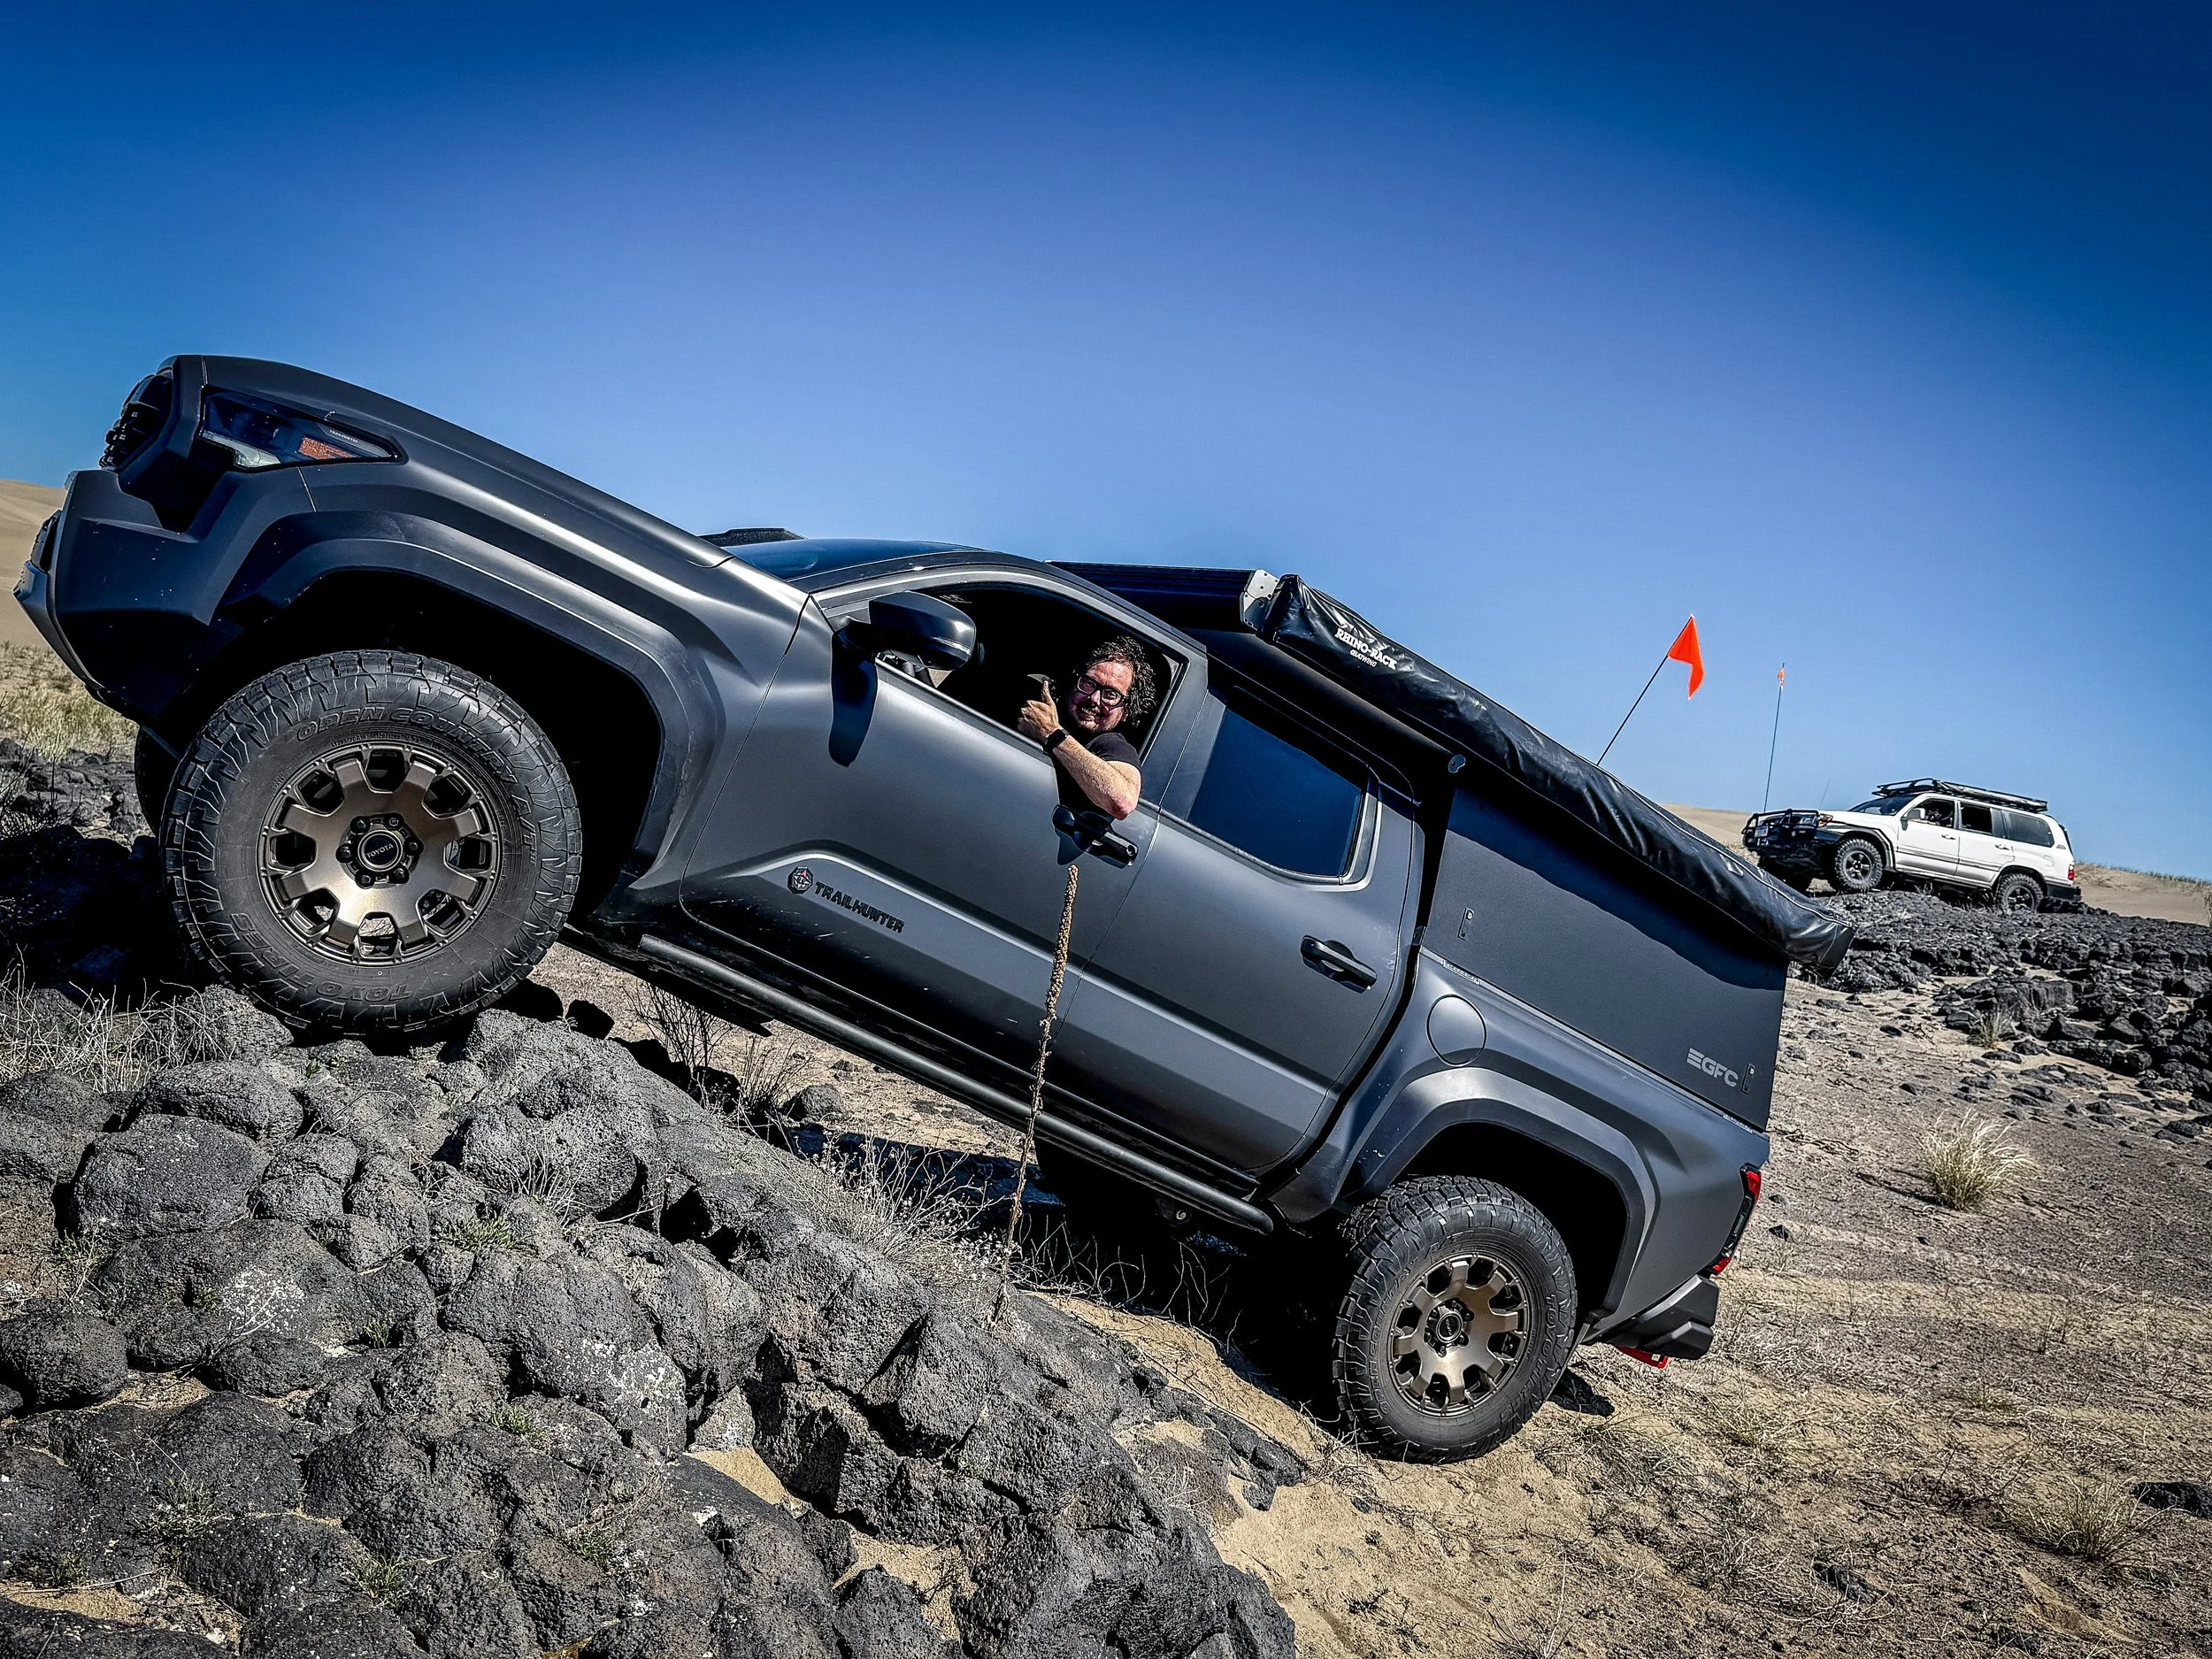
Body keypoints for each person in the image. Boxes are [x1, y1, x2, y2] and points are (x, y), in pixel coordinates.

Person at [1017, 637, 1154, 819]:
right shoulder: (1040, 707)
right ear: (1074, 682)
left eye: (1110, 695)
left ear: (1126, 711)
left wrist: (1051, 732)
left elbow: (1122, 801)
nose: (1094, 699)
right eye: (1089, 683)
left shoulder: (1112, 746)